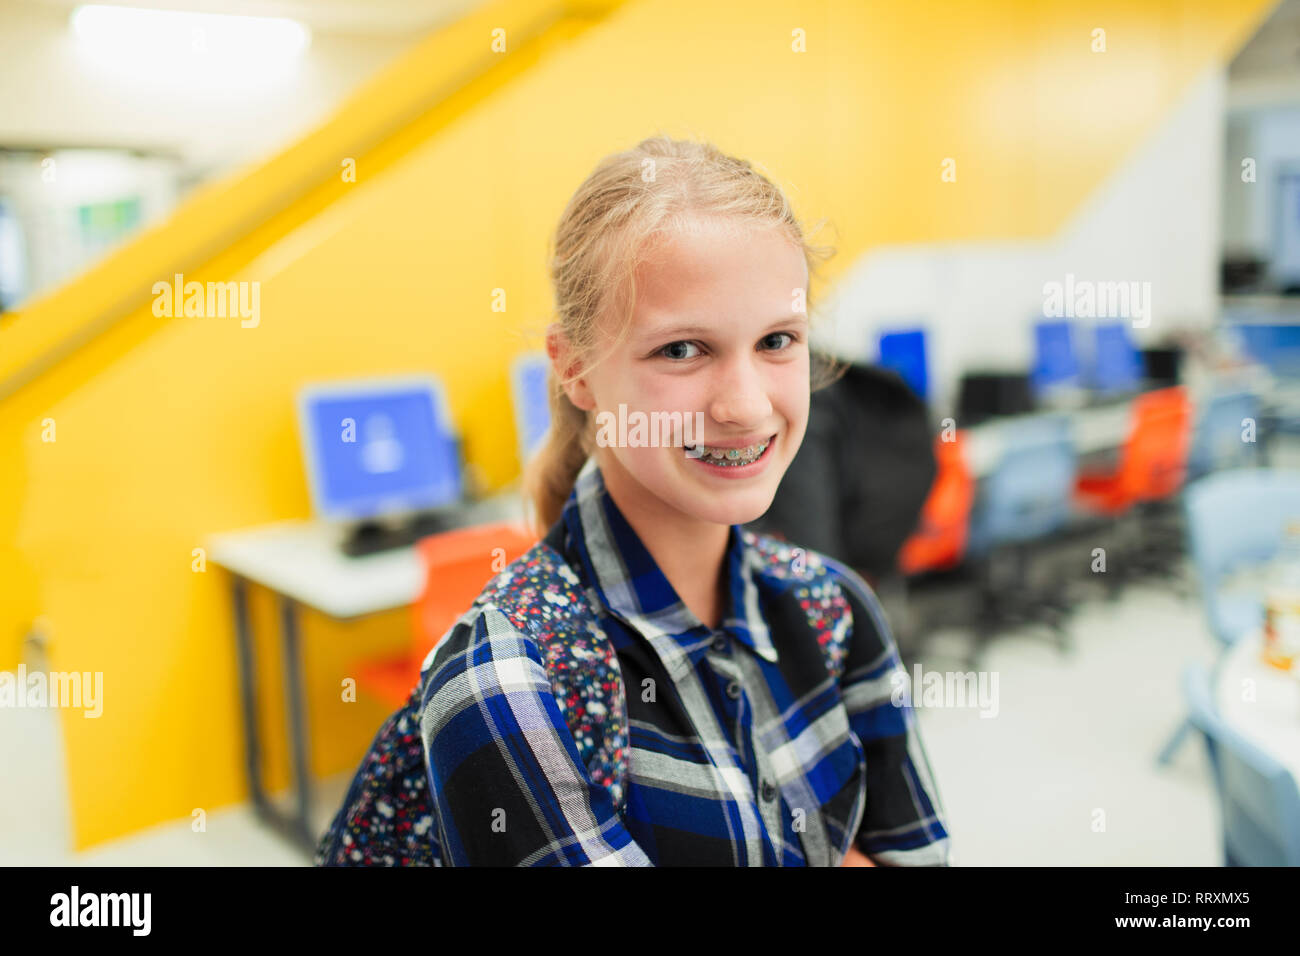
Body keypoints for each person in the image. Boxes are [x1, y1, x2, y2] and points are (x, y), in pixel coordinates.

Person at [316, 135, 950, 867]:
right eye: (682, 349)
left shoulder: (835, 610)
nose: (746, 407)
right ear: (576, 369)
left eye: (778, 340)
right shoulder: (511, 682)